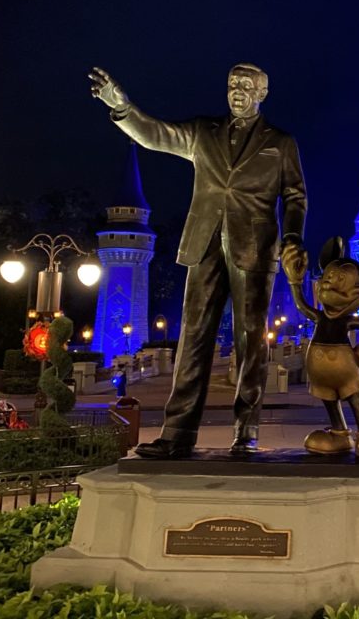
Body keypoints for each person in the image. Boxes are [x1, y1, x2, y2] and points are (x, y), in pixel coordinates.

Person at [90, 64, 307, 459]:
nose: (236, 92)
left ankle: (247, 430)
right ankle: (177, 431)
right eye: (231, 85)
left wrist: (291, 237)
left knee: (250, 340)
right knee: (193, 335)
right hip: (203, 241)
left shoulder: (281, 142)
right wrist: (122, 107)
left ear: (262, 92)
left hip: (255, 247)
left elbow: (295, 196)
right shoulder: (202, 132)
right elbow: (156, 134)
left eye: (245, 86)